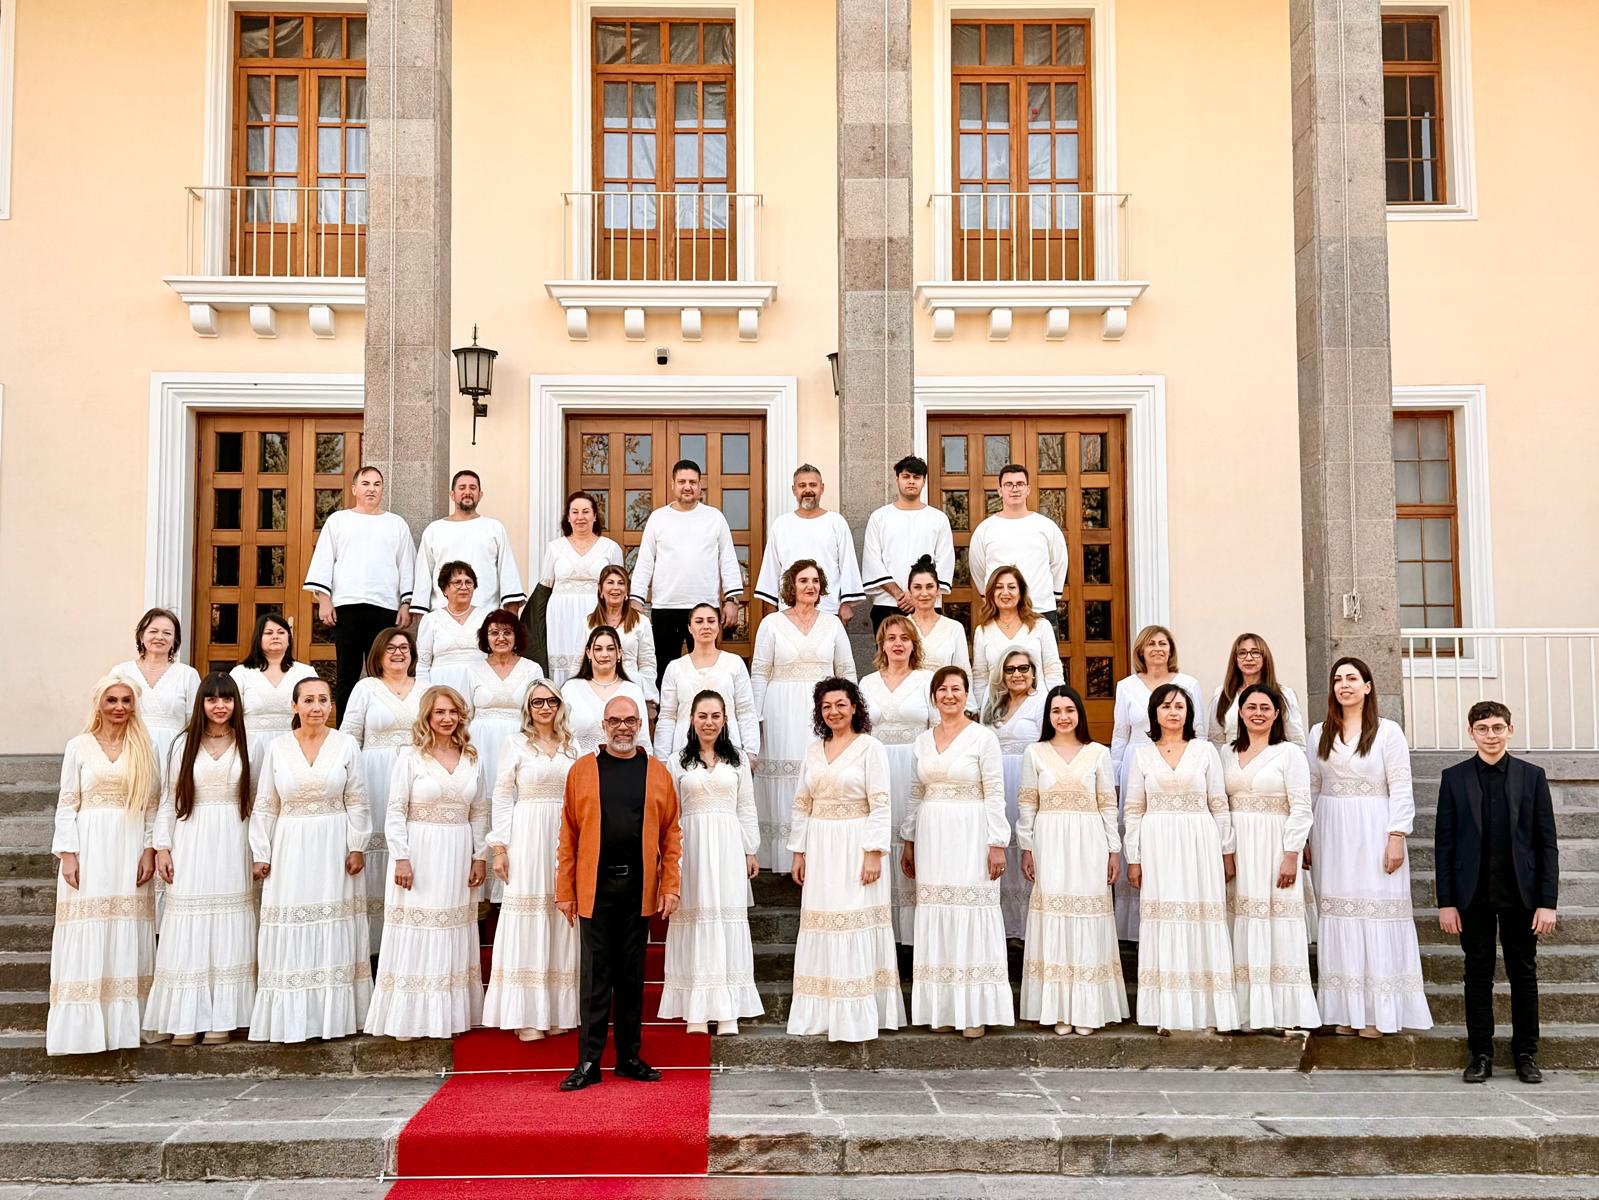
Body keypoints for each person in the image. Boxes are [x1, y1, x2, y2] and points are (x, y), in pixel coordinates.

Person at [555, 696, 682, 1091]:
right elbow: (568, 835)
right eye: (615, 720)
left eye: (629, 720)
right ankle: (589, 1061)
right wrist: (564, 890)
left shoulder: (657, 773)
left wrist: (670, 885)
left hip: (638, 887)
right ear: (604, 725)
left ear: (640, 725)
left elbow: (671, 834)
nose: (622, 727)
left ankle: (628, 1057)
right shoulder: (582, 770)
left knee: (631, 977)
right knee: (595, 977)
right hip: (594, 886)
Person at [1307, 657, 1433, 1038]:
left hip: (1375, 829)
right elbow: (1312, 787)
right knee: (1340, 915)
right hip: (1332, 832)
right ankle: (1347, 1012)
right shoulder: (1319, 733)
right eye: (1338, 679)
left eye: (1352, 678)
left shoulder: (1388, 732)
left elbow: (1401, 787)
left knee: (1375, 913)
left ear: (1367, 686)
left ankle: (1379, 1013)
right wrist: (1307, 837)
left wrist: (1397, 836)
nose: (1344, 685)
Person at [1436, 701, 1560, 1084]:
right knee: (1477, 974)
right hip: (1471, 895)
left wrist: (1547, 902)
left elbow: (1547, 843)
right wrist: (1446, 902)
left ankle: (1526, 1054)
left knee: (1524, 974)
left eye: (1497, 728)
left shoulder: (1532, 776)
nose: (1491, 735)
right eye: (1483, 728)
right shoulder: (1453, 778)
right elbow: (1444, 844)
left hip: (1521, 895)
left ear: (1510, 730)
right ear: (1470, 733)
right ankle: (1481, 1054)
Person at [249, 676, 372, 1043]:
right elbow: (266, 804)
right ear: (294, 706)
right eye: (308, 700)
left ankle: (333, 1018)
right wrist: (261, 852)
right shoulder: (277, 747)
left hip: (334, 846)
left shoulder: (346, 745)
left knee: (333, 921)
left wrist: (357, 845)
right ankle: (292, 1020)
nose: (316, 707)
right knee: (293, 921)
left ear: (331, 705)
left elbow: (357, 799)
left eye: (322, 700)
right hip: (290, 846)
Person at [365, 686, 489, 1040]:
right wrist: (401, 857)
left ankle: (447, 1016)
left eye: (453, 712)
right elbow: (395, 811)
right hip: (419, 852)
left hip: (458, 853)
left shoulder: (472, 758)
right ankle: (410, 1019)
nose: (447, 719)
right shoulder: (410, 757)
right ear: (427, 717)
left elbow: (480, 811)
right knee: (418, 928)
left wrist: (480, 856)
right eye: (439, 712)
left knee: (451, 927)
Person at [46, 678, 159, 1056]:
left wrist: (149, 851)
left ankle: (123, 1025)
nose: (119, 707)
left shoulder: (144, 747)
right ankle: (82, 1030)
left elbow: (152, 806)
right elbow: (67, 803)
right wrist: (68, 853)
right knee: (86, 925)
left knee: (125, 925)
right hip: (89, 846)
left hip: (129, 847)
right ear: (99, 703)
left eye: (126, 700)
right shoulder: (77, 747)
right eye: (112, 700)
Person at [788, 678, 905, 1041]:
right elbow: (802, 804)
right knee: (823, 921)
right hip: (821, 847)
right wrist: (799, 852)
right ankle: (823, 1011)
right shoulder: (813, 750)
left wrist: (873, 853)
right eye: (826, 707)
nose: (834, 712)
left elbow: (881, 804)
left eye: (840, 704)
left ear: (855, 707)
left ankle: (856, 1014)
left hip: (857, 846)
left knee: (854, 922)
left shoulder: (871, 748)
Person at [900, 666, 1014, 1037]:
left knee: (971, 909)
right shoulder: (922, 741)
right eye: (942, 690)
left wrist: (997, 843)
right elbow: (916, 793)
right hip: (932, 836)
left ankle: (974, 1012)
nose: (949, 695)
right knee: (937, 910)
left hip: (972, 832)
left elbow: (995, 792)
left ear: (967, 694)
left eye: (956, 689)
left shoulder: (983, 738)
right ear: (933, 696)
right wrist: (909, 840)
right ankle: (944, 1009)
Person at [145, 673, 256, 1045]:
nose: (219, 706)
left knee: (229, 922)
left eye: (227, 699)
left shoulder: (249, 744)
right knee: (188, 921)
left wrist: (260, 850)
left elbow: (259, 801)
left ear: (236, 703)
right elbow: (169, 799)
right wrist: (162, 846)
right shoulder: (183, 744)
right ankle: (185, 1016)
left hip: (234, 839)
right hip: (191, 837)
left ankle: (224, 1017)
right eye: (212, 699)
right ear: (201, 703)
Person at [1123, 683, 1238, 1034]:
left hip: (1199, 842)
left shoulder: (1205, 751)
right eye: (1166, 706)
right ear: (1154, 713)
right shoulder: (1141, 755)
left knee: (1201, 918)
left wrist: (1227, 851)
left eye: (1179, 706)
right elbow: (1133, 809)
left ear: (1189, 713)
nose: (1173, 712)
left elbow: (1219, 803)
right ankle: (1167, 1011)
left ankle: (1207, 1011)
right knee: (1164, 919)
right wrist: (1134, 858)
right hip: (1157, 844)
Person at [1017, 685, 1126, 1035]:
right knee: (1054, 915)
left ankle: (1086, 1008)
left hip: (1089, 842)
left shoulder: (1098, 753)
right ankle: (1059, 1008)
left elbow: (1108, 805)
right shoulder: (1034, 753)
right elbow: (1027, 805)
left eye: (1069, 710)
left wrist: (1113, 850)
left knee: (1087, 916)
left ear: (1079, 713)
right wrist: (1026, 847)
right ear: (1048, 717)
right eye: (1056, 711)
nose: (1063, 717)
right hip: (1049, 841)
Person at [484, 682, 581, 1041]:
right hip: (526, 836)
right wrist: (500, 848)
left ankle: (556, 1010)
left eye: (550, 701)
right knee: (528, 915)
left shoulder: (573, 746)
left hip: (564, 836)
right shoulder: (515, 744)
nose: (544, 707)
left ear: (559, 705)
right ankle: (525, 1014)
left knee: (561, 913)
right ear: (528, 707)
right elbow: (501, 795)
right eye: (537, 702)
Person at [663, 691, 762, 1035]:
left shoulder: (738, 761)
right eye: (702, 715)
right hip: (691, 848)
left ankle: (727, 1010)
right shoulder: (676, 762)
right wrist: (670, 860)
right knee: (697, 920)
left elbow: (746, 806)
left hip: (728, 845)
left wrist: (750, 850)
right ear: (691, 719)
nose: (709, 722)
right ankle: (697, 1010)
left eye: (715, 716)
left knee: (725, 919)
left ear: (725, 720)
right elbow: (670, 813)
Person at [1222, 684, 1320, 1033]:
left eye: (1266, 707)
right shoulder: (1225, 753)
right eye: (1251, 707)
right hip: (1239, 847)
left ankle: (1282, 1011)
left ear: (1277, 714)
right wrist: (1226, 849)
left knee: (1277, 923)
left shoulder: (1289, 754)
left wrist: (1292, 853)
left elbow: (1301, 807)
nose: (1258, 713)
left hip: (1275, 846)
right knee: (1241, 920)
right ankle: (1246, 1010)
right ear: (1240, 712)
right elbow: (1220, 804)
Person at [750, 560, 856, 873]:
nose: (810, 586)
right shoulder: (771, 624)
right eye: (803, 581)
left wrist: (850, 714)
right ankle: (785, 857)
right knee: (786, 776)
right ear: (791, 587)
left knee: (818, 774)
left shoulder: (832, 624)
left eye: (815, 581)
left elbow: (846, 671)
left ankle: (819, 853)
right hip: (780, 712)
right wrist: (755, 719)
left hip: (823, 712)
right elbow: (759, 673)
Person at [1109, 625, 1206, 940]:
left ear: (1171, 649)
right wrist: (1115, 779)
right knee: (1138, 835)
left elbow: (1199, 731)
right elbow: (1120, 735)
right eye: (1150, 643)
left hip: (1180, 766)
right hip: (1137, 764)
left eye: (1163, 643)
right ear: (1140, 650)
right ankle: (1137, 927)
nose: (1157, 648)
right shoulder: (1126, 686)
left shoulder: (1188, 684)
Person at [302, 465, 416, 718]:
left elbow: (407, 565)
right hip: (347, 607)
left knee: (384, 672)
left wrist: (406, 603)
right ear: (354, 489)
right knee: (347, 673)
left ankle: (383, 724)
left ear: (382, 489)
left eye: (377, 484)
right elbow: (324, 560)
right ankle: (346, 731)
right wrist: (324, 600)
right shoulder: (338, 521)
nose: (371, 489)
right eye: (365, 484)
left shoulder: (396, 524)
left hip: (385, 607)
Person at [340, 626, 421, 952]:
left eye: (404, 647)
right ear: (378, 654)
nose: (398, 653)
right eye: (391, 648)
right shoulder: (366, 688)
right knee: (376, 851)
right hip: (374, 777)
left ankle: (406, 944)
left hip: (416, 779)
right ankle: (373, 948)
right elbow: (349, 738)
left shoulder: (426, 688)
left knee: (408, 848)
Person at [629, 460, 744, 688]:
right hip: (665, 607)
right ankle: (666, 712)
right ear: (673, 484)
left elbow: (728, 559)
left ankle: (707, 710)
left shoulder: (714, 517)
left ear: (700, 485)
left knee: (706, 672)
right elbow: (644, 561)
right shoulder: (658, 518)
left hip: (704, 608)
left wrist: (731, 599)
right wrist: (636, 599)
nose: (687, 486)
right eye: (682, 481)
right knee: (664, 671)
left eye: (692, 482)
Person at [859, 616, 934, 943]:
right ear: (882, 645)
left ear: (914, 644)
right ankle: (883, 931)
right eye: (891, 638)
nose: (898, 644)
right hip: (877, 770)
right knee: (882, 838)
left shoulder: (927, 680)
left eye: (905, 638)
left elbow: (937, 730)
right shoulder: (866, 684)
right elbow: (860, 733)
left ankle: (915, 936)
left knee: (913, 838)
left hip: (916, 768)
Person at [465, 610, 545, 846]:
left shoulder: (532, 669)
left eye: (507, 632)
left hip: (520, 745)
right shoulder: (472, 670)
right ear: (485, 637)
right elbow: (464, 715)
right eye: (494, 633)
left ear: (516, 636)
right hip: (480, 747)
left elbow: (539, 712)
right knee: (482, 803)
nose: (501, 638)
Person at [984, 646, 1046, 939]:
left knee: (1028, 848)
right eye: (1010, 669)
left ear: (1033, 673)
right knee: (1000, 846)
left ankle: (1028, 930)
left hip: (1029, 780)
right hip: (997, 784)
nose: (1017, 674)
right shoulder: (993, 704)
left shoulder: (1042, 702)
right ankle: (1005, 930)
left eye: (1023, 668)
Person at [754, 465, 865, 621]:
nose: (808, 490)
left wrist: (846, 604)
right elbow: (771, 568)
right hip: (789, 610)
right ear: (794, 490)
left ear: (822, 488)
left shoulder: (836, 522)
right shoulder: (781, 524)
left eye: (813, 485)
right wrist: (772, 611)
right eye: (802, 485)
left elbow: (848, 564)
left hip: (828, 609)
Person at [967, 463, 1068, 634]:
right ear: (1000, 490)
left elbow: (1059, 563)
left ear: (1028, 489)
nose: (1015, 489)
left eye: (1020, 484)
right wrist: (991, 596)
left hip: (1040, 611)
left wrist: (1051, 595)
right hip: (1000, 613)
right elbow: (978, 568)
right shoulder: (985, 529)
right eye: (1009, 484)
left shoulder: (1046, 526)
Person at [862, 455, 955, 632]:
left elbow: (945, 561)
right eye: (906, 476)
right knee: (890, 650)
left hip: (927, 604)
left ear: (924, 481)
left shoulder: (938, 519)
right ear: (897, 478)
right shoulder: (880, 517)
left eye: (916, 477)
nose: (911, 481)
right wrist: (899, 594)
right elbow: (872, 561)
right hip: (888, 604)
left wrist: (918, 596)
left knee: (928, 650)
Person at [413, 469, 526, 616]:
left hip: (486, 615)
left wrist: (511, 618)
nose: (467, 492)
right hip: (442, 616)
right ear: (452, 494)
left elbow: (508, 573)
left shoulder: (494, 528)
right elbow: (423, 576)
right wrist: (421, 616)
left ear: (480, 495)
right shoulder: (434, 530)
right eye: (462, 488)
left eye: (472, 488)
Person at [654, 603, 759, 758]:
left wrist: (751, 751)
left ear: (719, 626)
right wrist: (662, 758)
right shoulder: (675, 667)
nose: (705, 626)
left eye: (711, 621)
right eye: (699, 621)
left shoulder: (735, 663)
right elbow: (667, 717)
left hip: (728, 748)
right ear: (689, 628)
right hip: (684, 749)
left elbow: (746, 711)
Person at [541, 491, 623, 684]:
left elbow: (618, 586)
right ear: (568, 517)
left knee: (596, 657)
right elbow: (544, 587)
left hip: (597, 613)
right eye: (575, 512)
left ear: (595, 516)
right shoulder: (554, 547)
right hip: (560, 616)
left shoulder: (611, 548)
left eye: (586, 511)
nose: (580, 517)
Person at [110, 607, 200, 781]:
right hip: (130, 748)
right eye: (153, 631)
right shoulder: (121, 671)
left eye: (167, 633)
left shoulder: (188, 674)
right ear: (141, 636)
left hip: (175, 754)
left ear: (175, 640)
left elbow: (194, 722)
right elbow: (108, 714)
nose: (160, 637)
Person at [231, 612, 318, 771]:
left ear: (289, 638)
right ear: (258, 638)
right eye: (269, 633)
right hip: (251, 748)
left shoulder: (305, 672)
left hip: (295, 747)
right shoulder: (241, 673)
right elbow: (231, 715)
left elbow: (316, 711)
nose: (275, 636)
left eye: (281, 632)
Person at [970, 566, 1064, 715]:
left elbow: (1052, 669)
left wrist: (1057, 705)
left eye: (1012, 587)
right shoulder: (983, 631)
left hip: (1037, 709)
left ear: (1021, 592)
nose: (1005, 592)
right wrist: (980, 711)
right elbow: (980, 676)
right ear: (991, 593)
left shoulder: (1041, 625)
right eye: (999, 587)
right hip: (996, 712)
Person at [562, 626, 654, 756]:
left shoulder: (633, 691)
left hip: (622, 766)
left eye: (610, 649)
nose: (604, 654)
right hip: (578, 764)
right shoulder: (570, 688)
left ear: (619, 653)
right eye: (598, 649)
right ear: (588, 653)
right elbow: (558, 736)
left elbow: (643, 743)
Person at [1210, 632, 1306, 749]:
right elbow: (1216, 741)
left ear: (1265, 657)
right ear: (1235, 659)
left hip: (1273, 758)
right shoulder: (1222, 694)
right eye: (1242, 653)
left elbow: (1297, 742)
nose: (1249, 658)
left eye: (1255, 652)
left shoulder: (1284, 694)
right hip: (1232, 759)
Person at [590, 565, 658, 713]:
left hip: (631, 689)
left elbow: (647, 663)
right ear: (600, 589)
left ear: (627, 591)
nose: (616, 588)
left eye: (621, 583)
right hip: (596, 691)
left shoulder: (641, 622)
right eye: (610, 582)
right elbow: (579, 661)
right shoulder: (588, 623)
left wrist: (649, 699)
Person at [415, 561, 490, 697]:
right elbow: (422, 665)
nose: (464, 587)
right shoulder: (430, 620)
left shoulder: (487, 617)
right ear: (445, 590)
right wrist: (426, 694)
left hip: (480, 687)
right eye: (457, 583)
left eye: (468, 582)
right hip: (441, 688)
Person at [904, 555, 972, 674]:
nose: (924, 593)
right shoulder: (901, 627)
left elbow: (964, 673)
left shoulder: (954, 628)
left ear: (937, 590)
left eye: (929, 587)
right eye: (917, 587)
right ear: (910, 591)